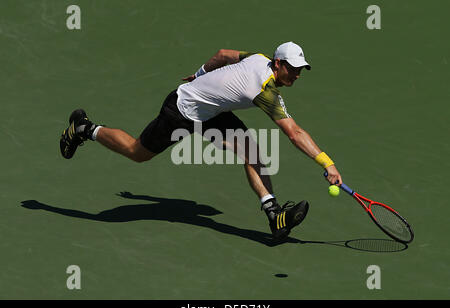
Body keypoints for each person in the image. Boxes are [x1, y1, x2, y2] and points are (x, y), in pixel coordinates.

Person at [59, 41, 343, 241]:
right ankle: (84, 128)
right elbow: (294, 133)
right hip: (182, 110)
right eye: (292, 68)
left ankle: (274, 217)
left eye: (300, 70)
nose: (296, 74)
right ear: (278, 63)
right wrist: (326, 162)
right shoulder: (265, 91)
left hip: (212, 113)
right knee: (138, 152)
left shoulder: (257, 57)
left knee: (251, 151)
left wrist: (200, 74)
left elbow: (222, 54)